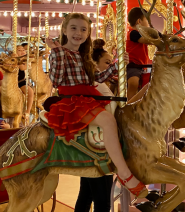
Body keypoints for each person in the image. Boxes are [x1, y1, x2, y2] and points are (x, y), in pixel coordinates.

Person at [46, 13, 147, 199]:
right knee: (108, 121)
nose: (79, 33)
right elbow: (55, 80)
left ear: (88, 34)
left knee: (120, 117)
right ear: (64, 30)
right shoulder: (59, 53)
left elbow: (95, 79)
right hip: (72, 102)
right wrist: (58, 51)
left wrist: (117, 66)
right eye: (74, 28)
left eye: (83, 29)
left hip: (87, 97)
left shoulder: (82, 55)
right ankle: (125, 174)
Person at [75, 39, 115, 212]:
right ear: (95, 64)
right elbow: (115, 111)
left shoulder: (98, 85)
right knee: (103, 199)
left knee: (86, 194)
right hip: (98, 145)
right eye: (107, 63)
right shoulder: (96, 85)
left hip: (91, 144)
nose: (109, 67)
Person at [126, 7, 151, 101]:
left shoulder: (140, 33)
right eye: (147, 20)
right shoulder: (133, 33)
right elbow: (147, 40)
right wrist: (158, 39)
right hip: (132, 65)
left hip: (141, 66)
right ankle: (129, 104)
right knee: (133, 84)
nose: (148, 23)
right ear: (139, 21)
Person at [16, 45, 34, 121]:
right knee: (30, 92)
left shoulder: (23, 59)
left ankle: (27, 111)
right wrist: (27, 61)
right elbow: (22, 67)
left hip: (23, 80)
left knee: (31, 91)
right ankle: (27, 112)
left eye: (23, 49)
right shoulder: (16, 60)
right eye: (19, 50)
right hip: (18, 81)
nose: (22, 51)